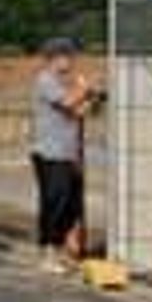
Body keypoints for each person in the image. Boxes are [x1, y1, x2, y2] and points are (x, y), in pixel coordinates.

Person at [30, 36, 101, 271]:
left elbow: (79, 111)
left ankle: (59, 250)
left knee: (72, 205)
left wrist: (93, 99)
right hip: (50, 154)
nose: (71, 62)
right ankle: (47, 252)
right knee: (54, 203)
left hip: (68, 154)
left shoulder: (61, 83)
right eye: (68, 57)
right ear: (55, 58)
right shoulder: (45, 80)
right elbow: (69, 103)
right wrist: (84, 88)